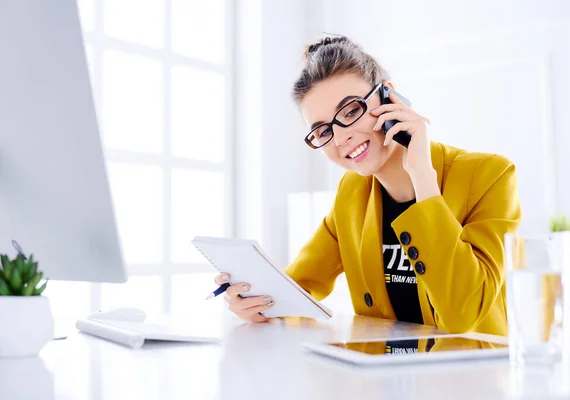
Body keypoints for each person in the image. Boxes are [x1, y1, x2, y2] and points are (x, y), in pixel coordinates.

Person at [214, 36, 522, 335]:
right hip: (381, 378)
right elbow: (298, 289)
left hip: (472, 380)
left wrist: (421, 175)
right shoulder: (352, 193)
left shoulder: (489, 175)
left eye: (350, 111)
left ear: (389, 96)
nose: (340, 138)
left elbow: (462, 314)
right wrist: (256, 303)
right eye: (322, 131)